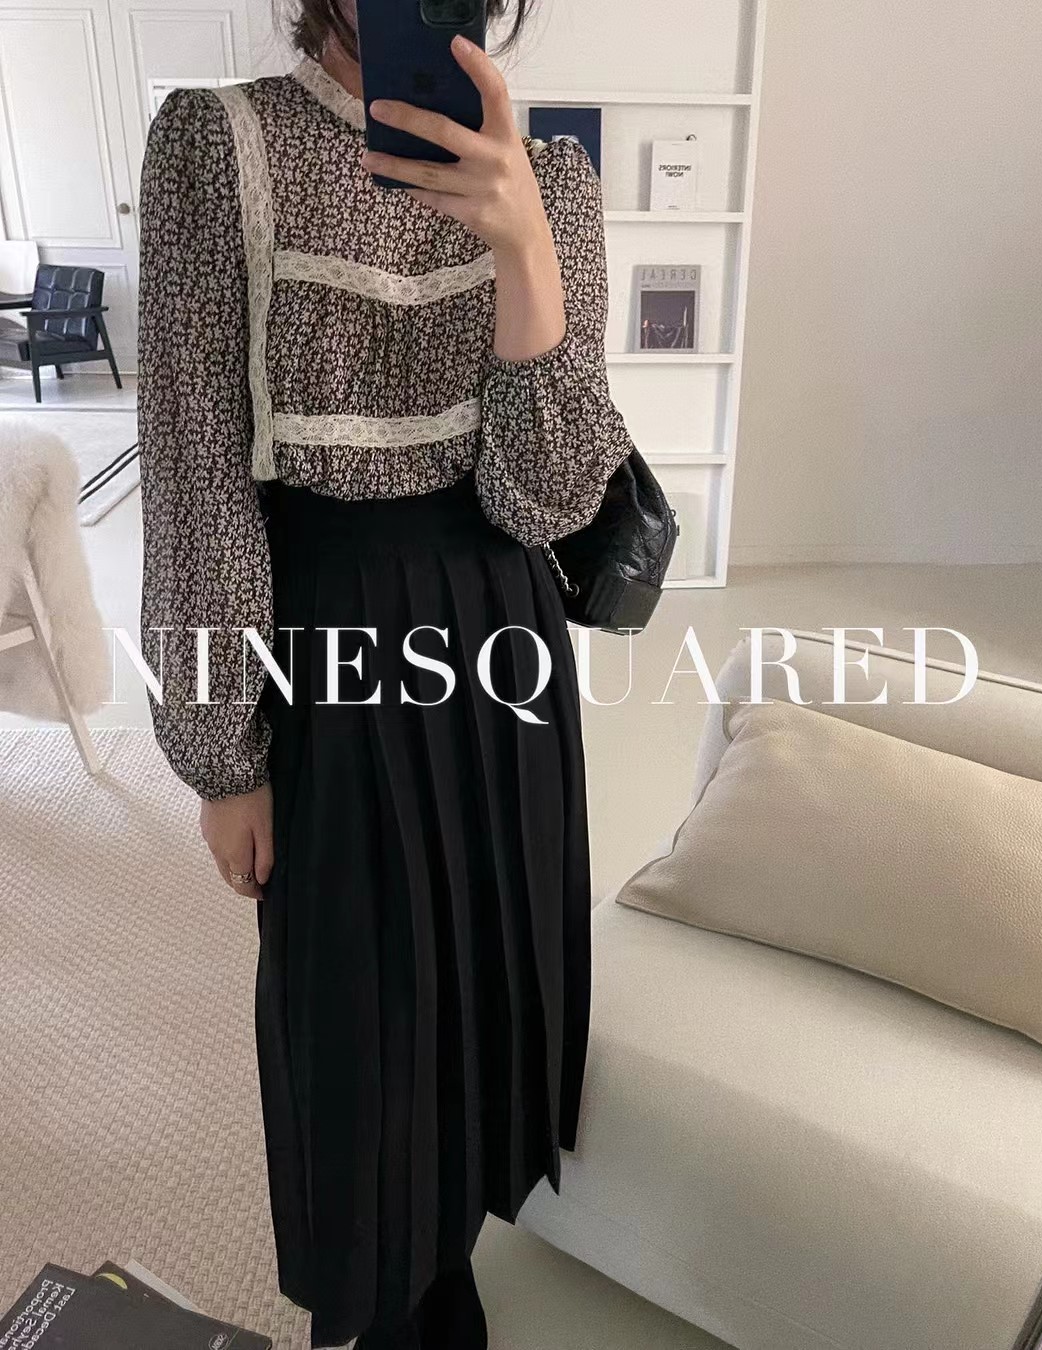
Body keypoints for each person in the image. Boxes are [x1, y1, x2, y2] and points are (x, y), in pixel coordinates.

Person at [137, 1, 636, 1345]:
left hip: (501, 634)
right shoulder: (215, 144)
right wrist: (221, 754)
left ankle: (448, 1262)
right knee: (352, 1015)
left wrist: (524, 242)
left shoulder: (554, 180)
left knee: (490, 977)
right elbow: (194, 475)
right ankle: (382, 1298)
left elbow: (547, 496)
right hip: (323, 628)